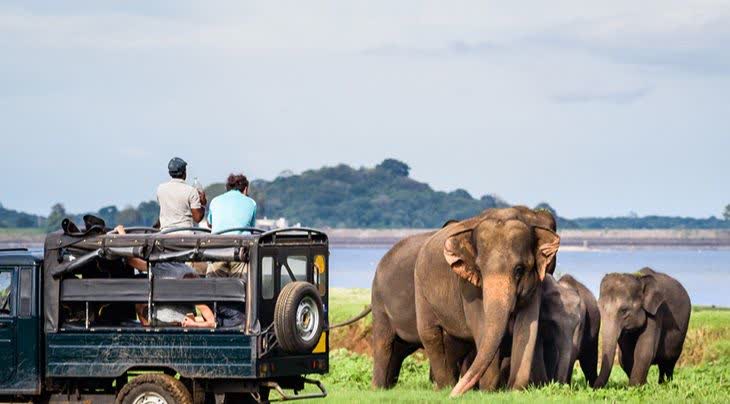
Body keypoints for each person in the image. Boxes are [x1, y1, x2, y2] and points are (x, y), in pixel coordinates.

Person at [206, 173, 257, 279]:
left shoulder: (215, 201)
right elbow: (251, 230)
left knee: (213, 287)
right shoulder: (251, 203)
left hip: (217, 249)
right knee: (242, 287)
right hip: (239, 251)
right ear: (246, 189)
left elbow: (210, 223)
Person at [156, 157, 207, 231]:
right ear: (184, 172)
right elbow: (197, 218)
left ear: (170, 173)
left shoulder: (160, 189)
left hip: (165, 234)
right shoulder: (191, 191)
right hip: (185, 234)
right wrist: (203, 204)